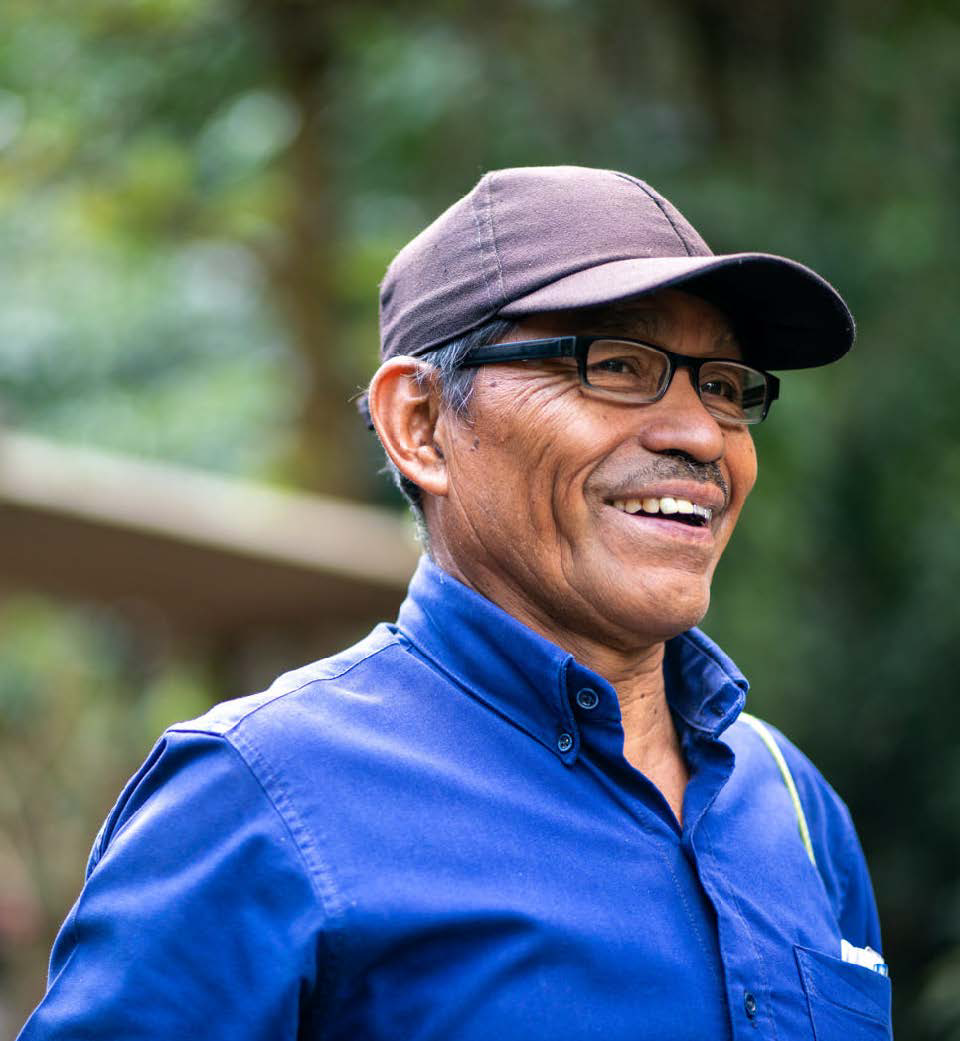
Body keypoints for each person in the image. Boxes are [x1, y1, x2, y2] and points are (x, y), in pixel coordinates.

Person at [19, 166, 892, 1040]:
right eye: (617, 365)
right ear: (422, 425)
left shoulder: (793, 803)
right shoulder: (258, 799)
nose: (701, 434)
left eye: (725, 385)